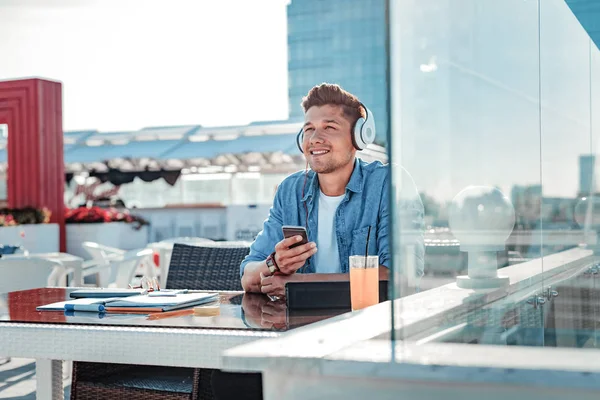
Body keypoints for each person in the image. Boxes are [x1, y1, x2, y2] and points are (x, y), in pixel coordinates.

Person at [240, 83, 424, 297]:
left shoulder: (389, 184)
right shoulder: (290, 190)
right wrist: (274, 264)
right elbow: (248, 276)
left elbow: (401, 276)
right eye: (309, 129)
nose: (315, 138)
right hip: (303, 328)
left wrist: (303, 287)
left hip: (372, 324)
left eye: (329, 127)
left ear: (358, 138)